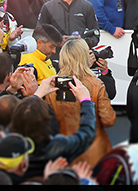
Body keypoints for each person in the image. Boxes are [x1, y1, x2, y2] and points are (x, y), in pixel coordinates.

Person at [45, 38, 115, 167]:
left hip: (63, 153)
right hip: (93, 152)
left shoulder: (51, 86)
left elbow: (48, 124)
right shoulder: (96, 84)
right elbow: (108, 119)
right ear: (84, 57)